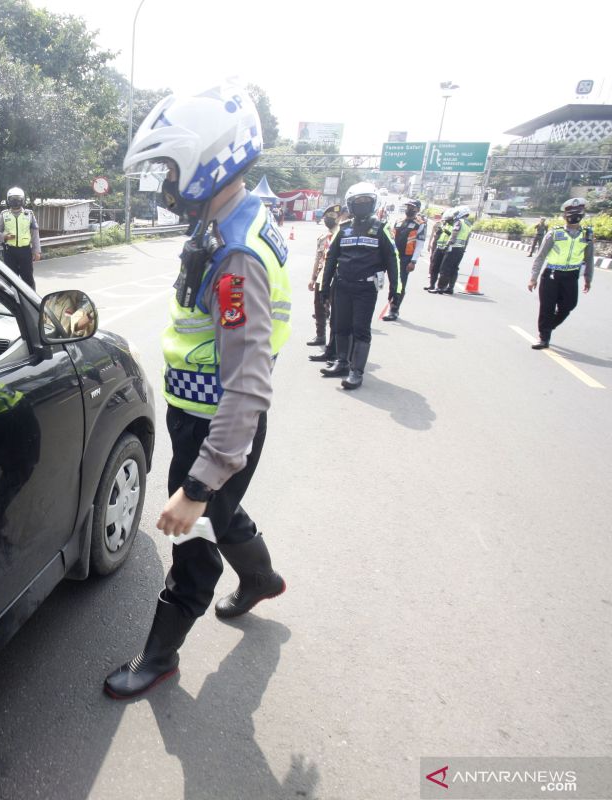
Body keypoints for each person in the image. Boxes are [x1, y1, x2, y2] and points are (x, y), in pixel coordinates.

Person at [104, 83, 291, 700]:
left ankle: (160, 657)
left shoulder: (236, 253)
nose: (164, 180)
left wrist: (198, 485)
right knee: (224, 516)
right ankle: (261, 579)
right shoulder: (227, 216)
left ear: (210, 158)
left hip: (217, 427)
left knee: (194, 538)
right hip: (200, 413)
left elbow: (247, 384)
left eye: (169, 165)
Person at [319, 182, 399, 390]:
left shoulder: (381, 229)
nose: (362, 205)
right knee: (340, 326)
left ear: (373, 204)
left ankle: (356, 371)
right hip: (343, 285)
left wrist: (395, 289)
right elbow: (331, 258)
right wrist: (324, 285)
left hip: (366, 288)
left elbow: (393, 258)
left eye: (366, 202)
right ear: (350, 205)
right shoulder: (344, 229)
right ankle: (342, 362)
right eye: (358, 202)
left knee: (360, 329)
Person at [527, 198, 594, 349]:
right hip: (552, 274)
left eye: (578, 213)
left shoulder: (586, 235)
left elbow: (589, 258)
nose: (574, 217)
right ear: (565, 216)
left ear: (582, 215)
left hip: (571, 275)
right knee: (547, 307)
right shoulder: (554, 233)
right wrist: (533, 278)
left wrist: (588, 278)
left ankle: (548, 326)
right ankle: (544, 338)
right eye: (571, 214)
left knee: (569, 305)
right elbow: (540, 257)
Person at [383, 198, 427, 321]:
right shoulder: (398, 221)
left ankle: (394, 309)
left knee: (399, 284)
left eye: (412, 207)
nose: (409, 209)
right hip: (392, 255)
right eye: (408, 207)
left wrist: (413, 261)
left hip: (406, 258)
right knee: (389, 282)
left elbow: (419, 245)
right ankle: (391, 304)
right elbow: (390, 237)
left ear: (417, 209)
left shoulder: (420, 224)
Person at [0, 187, 41, 289]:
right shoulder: (4, 214)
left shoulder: (29, 214)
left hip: (25, 251)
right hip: (9, 251)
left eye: (18, 199)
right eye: (13, 199)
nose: (15, 201)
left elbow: (35, 233)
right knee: (10, 279)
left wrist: (36, 251)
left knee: (28, 278)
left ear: (22, 200)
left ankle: (31, 301)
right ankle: (12, 302)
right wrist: (4, 237)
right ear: (8, 200)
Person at [307, 204, 340, 351]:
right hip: (321, 277)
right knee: (319, 307)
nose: (328, 220)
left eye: (331, 218)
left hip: (337, 277)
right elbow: (317, 259)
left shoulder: (342, 235)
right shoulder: (322, 238)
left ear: (338, 219)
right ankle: (320, 335)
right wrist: (313, 278)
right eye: (326, 217)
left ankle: (335, 343)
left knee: (336, 312)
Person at [433, 205, 472, 294]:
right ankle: (450, 288)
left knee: (445, 268)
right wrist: (464, 249)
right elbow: (467, 239)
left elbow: (454, 234)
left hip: (452, 248)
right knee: (454, 269)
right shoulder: (469, 224)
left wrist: (447, 245)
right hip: (461, 249)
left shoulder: (458, 222)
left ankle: (440, 288)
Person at [424, 208, 454, 292]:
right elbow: (437, 235)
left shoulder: (455, 225)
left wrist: (445, 231)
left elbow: (452, 235)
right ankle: (431, 285)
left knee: (444, 269)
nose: (446, 221)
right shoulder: (444, 224)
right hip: (439, 247)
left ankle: (441, 287)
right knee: (434, 266)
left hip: (447, 249)